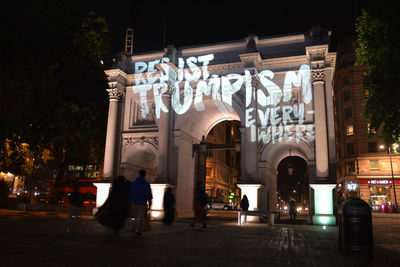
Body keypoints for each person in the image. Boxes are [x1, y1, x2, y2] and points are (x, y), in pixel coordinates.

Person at [128, 169, 153, 236]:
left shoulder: (134, 183)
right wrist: (150, 203)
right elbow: (149, 194)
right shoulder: (146, 184)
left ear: (139, 174)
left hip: (135, 202)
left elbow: (131, 193)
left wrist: (129, 201)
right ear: (145, 175)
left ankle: (135, 227)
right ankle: (138, 230)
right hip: (143, 202)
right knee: (141, 217)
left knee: (136, 216)